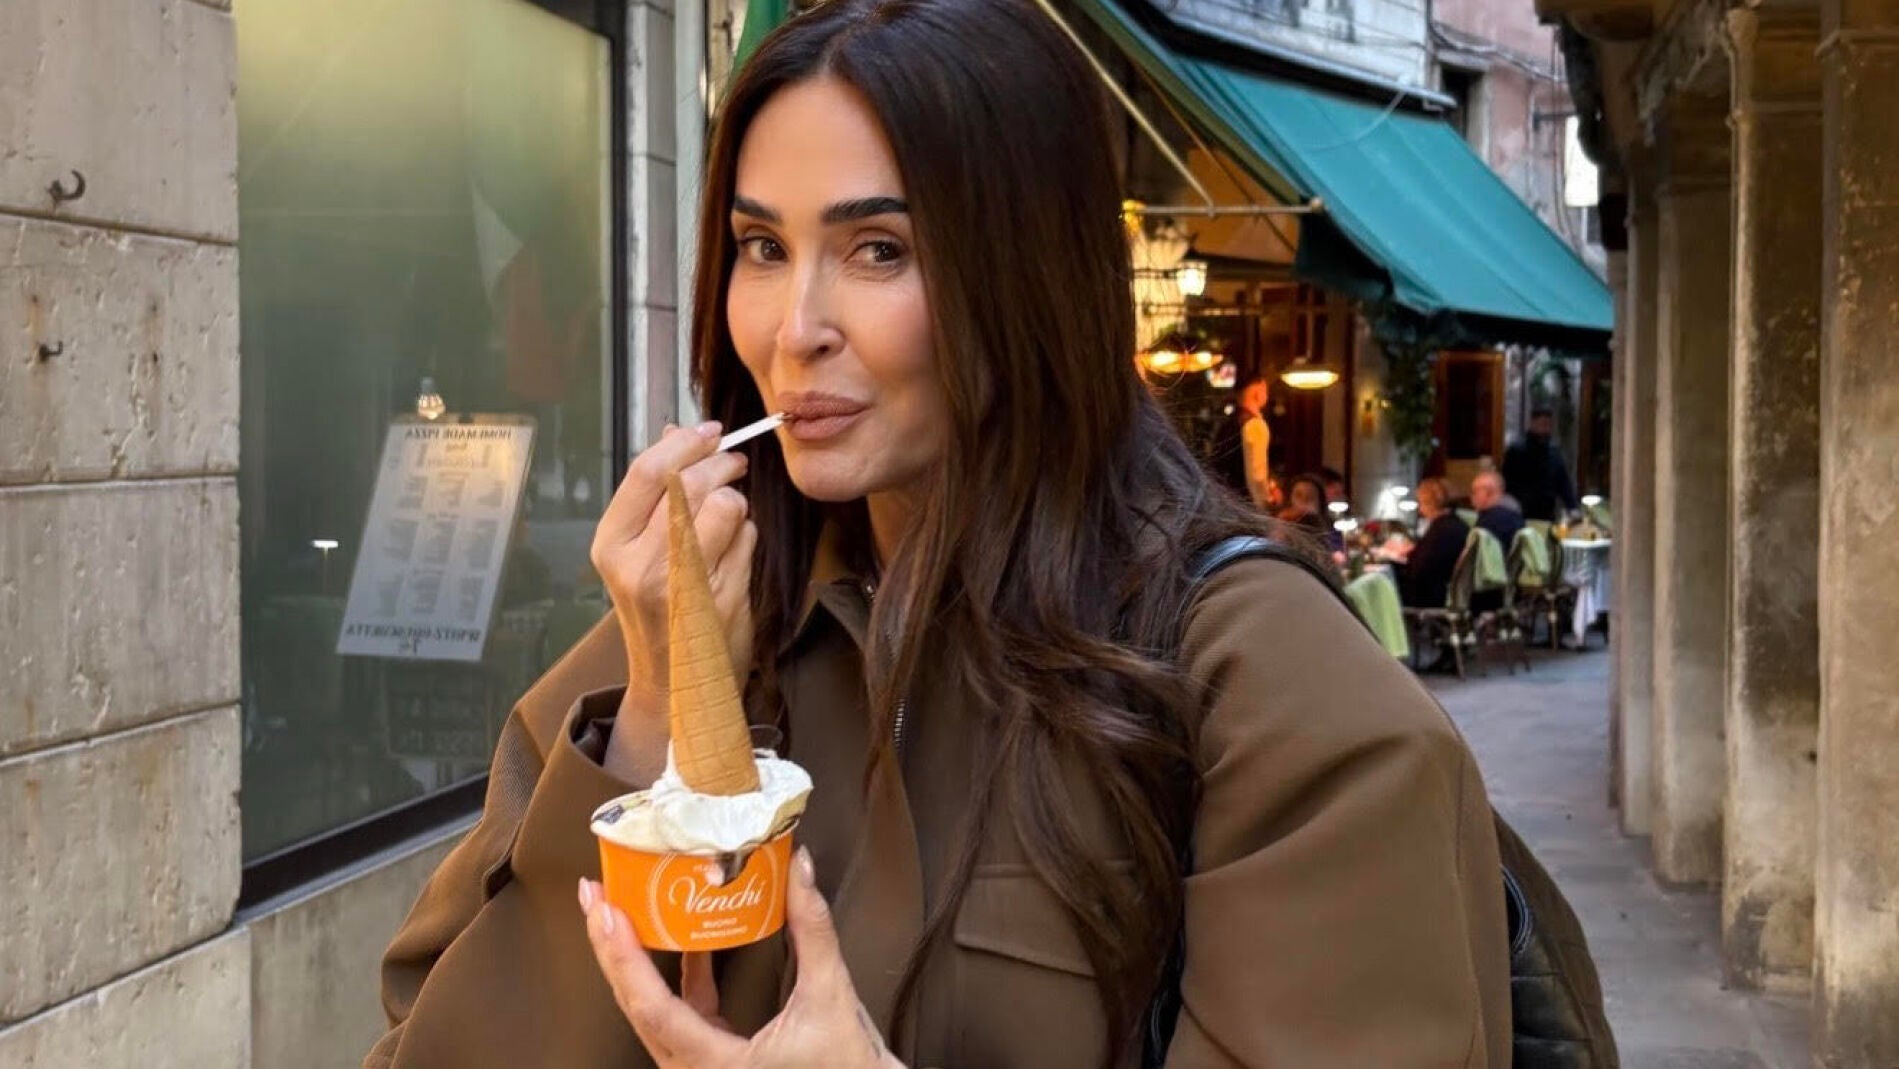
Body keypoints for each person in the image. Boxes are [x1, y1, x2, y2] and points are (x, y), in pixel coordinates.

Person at [366, 3, 1510, 1066]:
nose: (794, 330)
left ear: (1032, 277)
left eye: (879, 250)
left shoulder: (1268, 688)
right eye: (762, 247)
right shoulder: (700, 628)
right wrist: (656, 724)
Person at [1396, 478, 1471, 609]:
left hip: (1429, 597)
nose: (1420, 510)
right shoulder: (1455, 523)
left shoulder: (1442, 529)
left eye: (1421, 503)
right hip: (1440, 591)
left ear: (1430, 503)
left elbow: (1420, 571)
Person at [1501, 408, 1579, 522]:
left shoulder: (1554, 452)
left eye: (1548, 425)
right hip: (1521, 514)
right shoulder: (1516, 451)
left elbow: (1563, 483)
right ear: (1532, 424)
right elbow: (1506, 484)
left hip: (1547, 514)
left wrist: (1572, 507)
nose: (1545, 429)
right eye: (1542, 424)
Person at [1209, 375, 1273, 510]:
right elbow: (1256, 475)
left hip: (1224, 501)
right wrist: (1264, 505)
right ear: (1257, 393)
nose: (1266, 396)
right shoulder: (1254, 425)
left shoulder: (1226, 425)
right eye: (1265, 391)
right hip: (1245, 503)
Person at [1469, 470, 1524, 547]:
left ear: (1488, 493)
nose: (1471, 496)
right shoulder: (1512, 514)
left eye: (1474, 492)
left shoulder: (1490, 522)